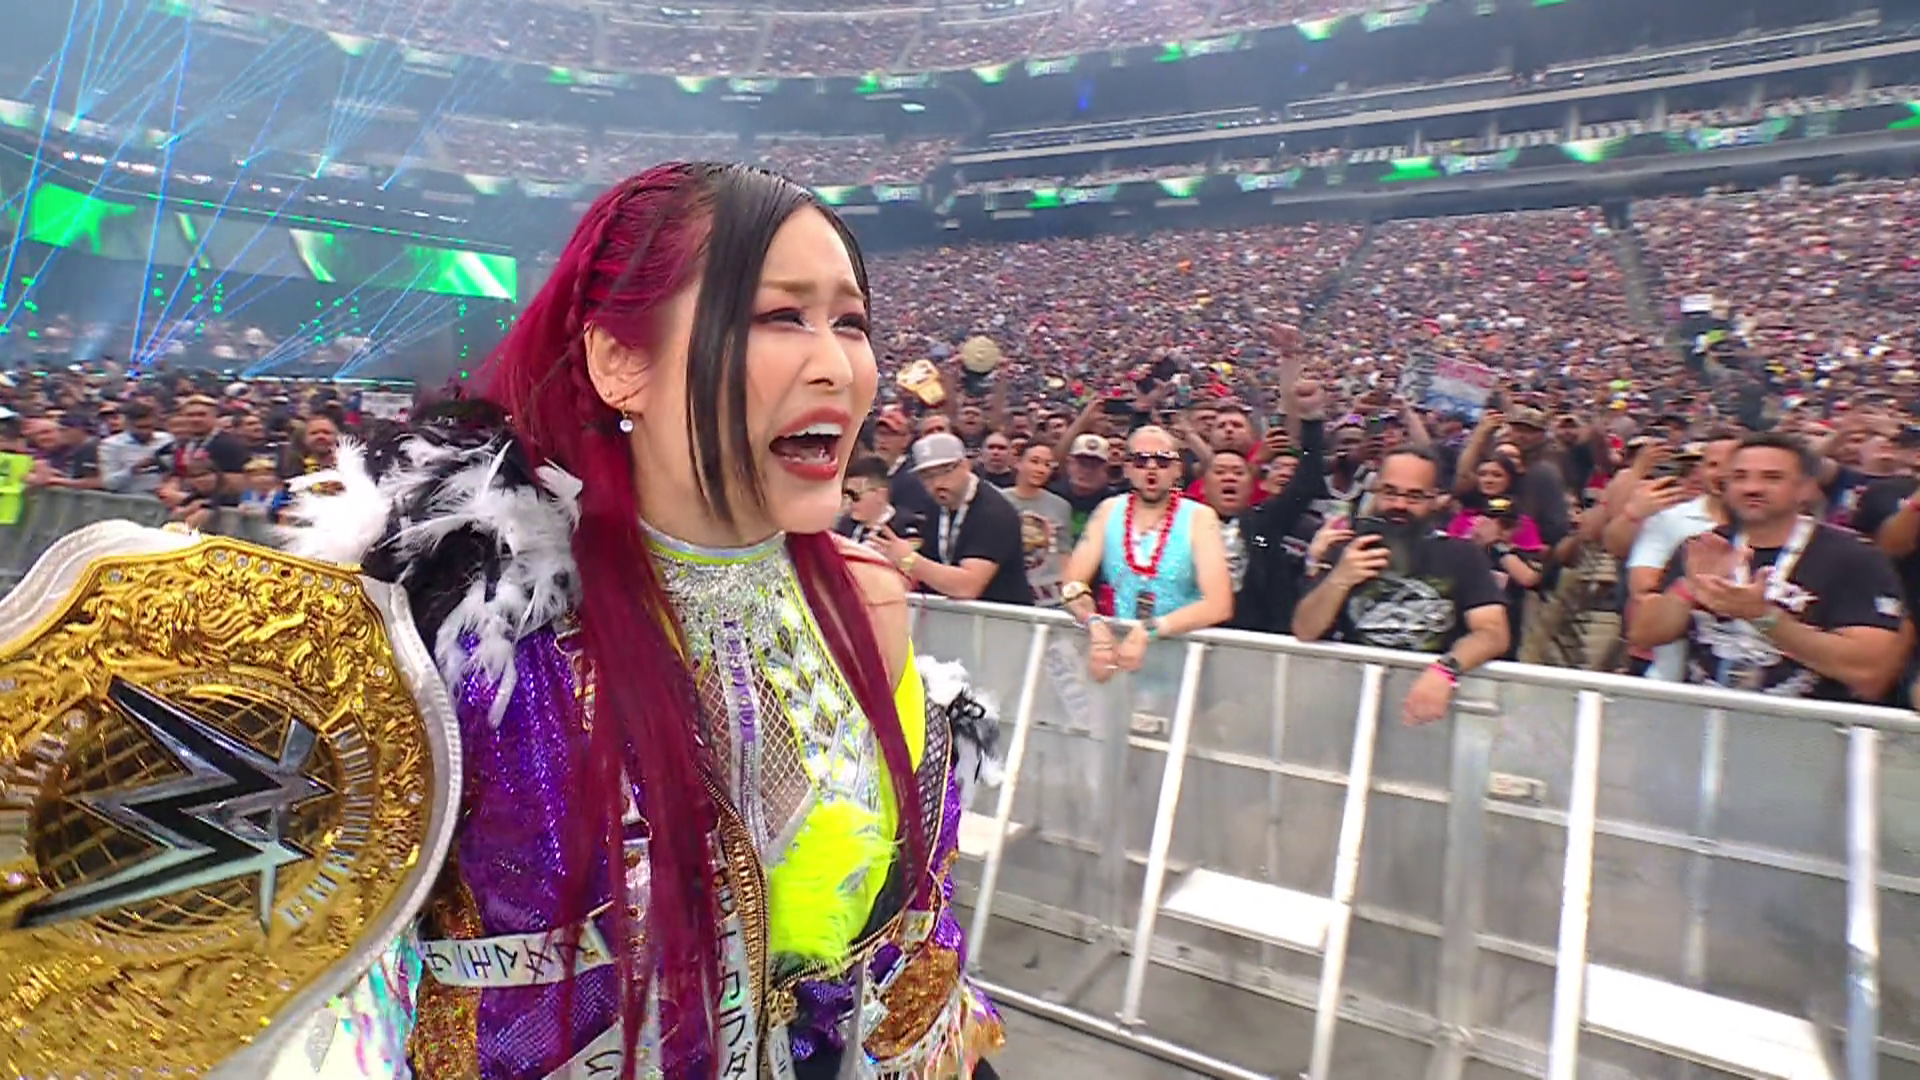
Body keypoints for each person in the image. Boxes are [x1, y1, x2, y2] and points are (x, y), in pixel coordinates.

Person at [278, 165, 1005, 1077]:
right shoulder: (471, 641)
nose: (838, 366)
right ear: (623, 363)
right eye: (781, 316)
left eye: (851, 322)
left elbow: (911, 960)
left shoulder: (869, 601)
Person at [1628, 432, 1909, 702]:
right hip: (1704, 721)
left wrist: (1763, 617)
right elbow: (1643, 634)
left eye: (1772, 478)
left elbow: (1870, 671)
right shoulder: (1704, 546)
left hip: (1807, 727)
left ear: (1804, 488)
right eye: (1740, 477)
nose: (1752, 488)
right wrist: (1690, 587)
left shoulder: (1854, 557)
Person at [1292, 446, 1510, 724]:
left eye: (1414, 496)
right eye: (1390, 492)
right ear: (1376, 491)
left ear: (1434, 499)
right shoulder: (1349, 549)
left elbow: (1493, 633)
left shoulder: (1462, 555)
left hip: (1431, 708)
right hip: (1351, 704)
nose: (1400, 505)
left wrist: (1445, 670)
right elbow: (1305, 629)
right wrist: (1340, 579)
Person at [1060, 426, 1234, 683]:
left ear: (1177, 470)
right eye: (1141, 461)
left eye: (1162, 461)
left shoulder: (1200, 518)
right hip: (1120, 660)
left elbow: (1219, 605)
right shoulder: (1108, 511)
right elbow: (1071, 585)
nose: (1151, 468)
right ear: (1127, 469)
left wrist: (1148, 630)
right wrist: (1094, 623)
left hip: (1183, 662)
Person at [875, 431, 1031, 607]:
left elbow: (967, 587)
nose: (937, 483)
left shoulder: (993, 512)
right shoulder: (936, 505)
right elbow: (929, 566)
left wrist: (910, 561)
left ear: (966, 466)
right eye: (927, 476)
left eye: (945, 471)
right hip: (952, 616)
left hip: (1002, 619)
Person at [1000, 442, 1073, 607]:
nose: (1041, 469)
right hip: (1008, 593)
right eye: (1034, 461)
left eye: (1047, 465)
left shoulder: (1061, 506)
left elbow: (1064, 555)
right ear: (1018, 463)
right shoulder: (998, 500)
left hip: (1050, 598)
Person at [836, 453, 926, 548]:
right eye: (846, 495)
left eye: (855, 495)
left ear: (880, 495)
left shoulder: (904, 526)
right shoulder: (844, 526)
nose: (849, 502)